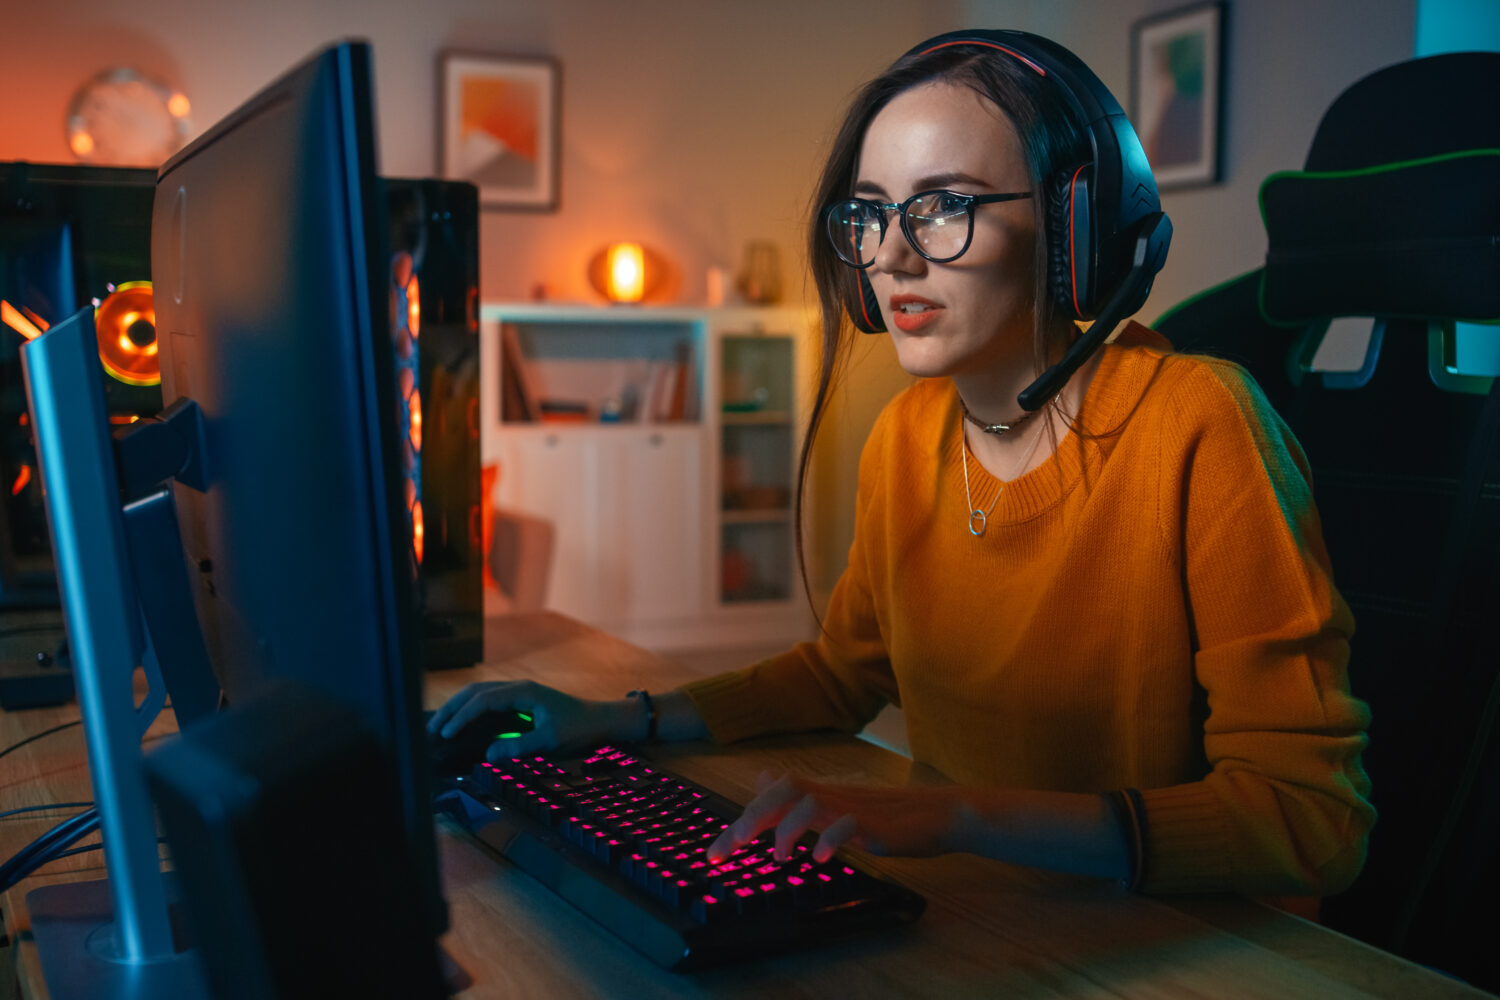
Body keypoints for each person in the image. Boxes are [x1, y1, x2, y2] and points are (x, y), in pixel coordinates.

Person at [431, 31, 1373, 901]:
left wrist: (955, 814)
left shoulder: (1199, 425)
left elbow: (1311, 820)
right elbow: (842, 675)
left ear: (1073, 227)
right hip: (987, 912)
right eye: (873, 214)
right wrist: (617, 719)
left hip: (1181, 947)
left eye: (945, 206)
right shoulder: (907, 435)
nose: (889, 256)